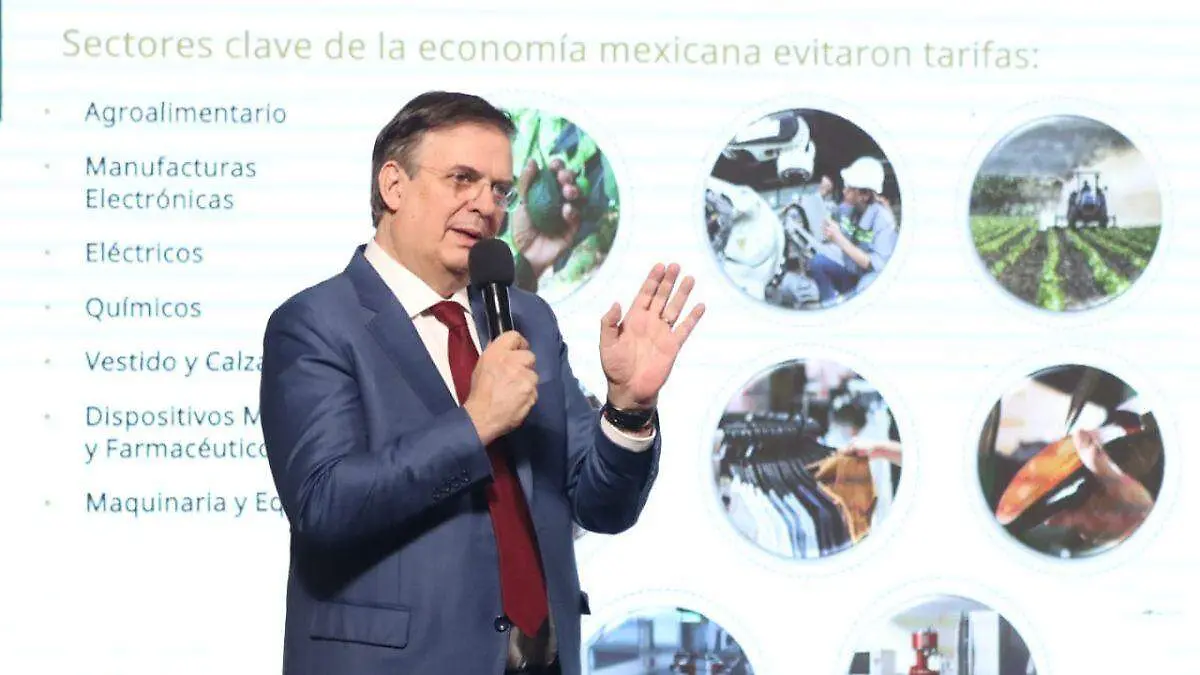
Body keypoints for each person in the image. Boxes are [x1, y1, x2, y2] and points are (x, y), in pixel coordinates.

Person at [258, 90, 705, 675]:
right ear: (393, 186)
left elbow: (601, 507)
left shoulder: (527, 319)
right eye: (462, 179)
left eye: (499, 190)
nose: (485, 206)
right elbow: (325, 504)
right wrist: (475, 424)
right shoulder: (316, 322)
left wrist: (628, 408)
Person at [806, 156, 899, 304]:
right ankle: (828, 304)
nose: (844, 191)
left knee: (864, 289)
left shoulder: (883, 221)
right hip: (852, 270)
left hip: (872, 278)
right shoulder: (847, 209)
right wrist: (821, 193)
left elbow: (874, 265)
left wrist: (839, 239)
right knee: (818, 262)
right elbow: (823, 215)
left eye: (850, 188)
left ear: (864, 195)